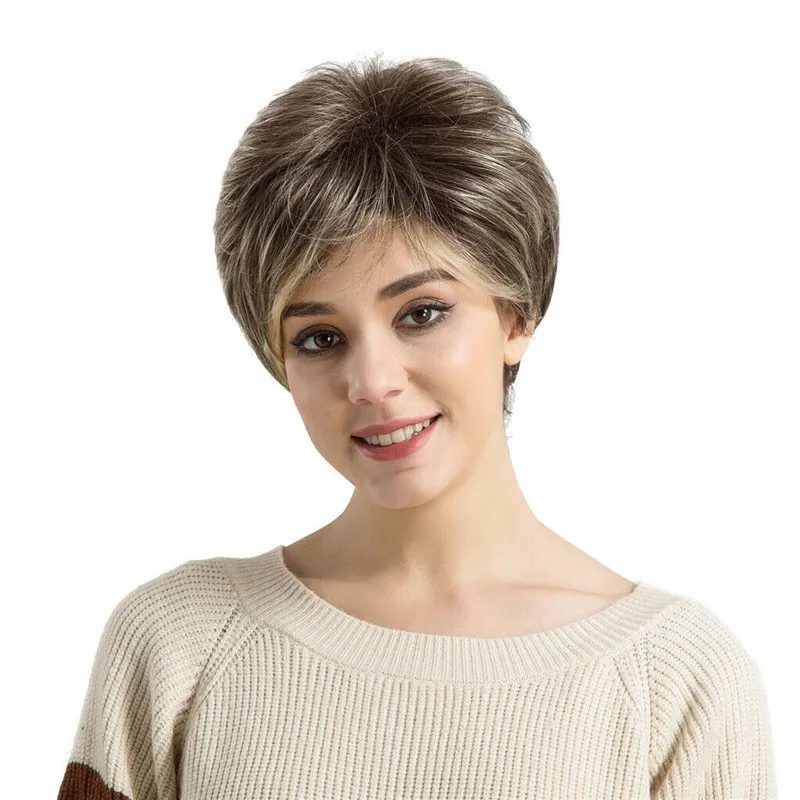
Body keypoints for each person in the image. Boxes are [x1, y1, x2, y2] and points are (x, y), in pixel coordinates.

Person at [58, 54, 776, 799]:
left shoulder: (675, 683)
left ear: (516, 315)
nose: (372, 381)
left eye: (421, 313)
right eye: (319, 338)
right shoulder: (179, 642)